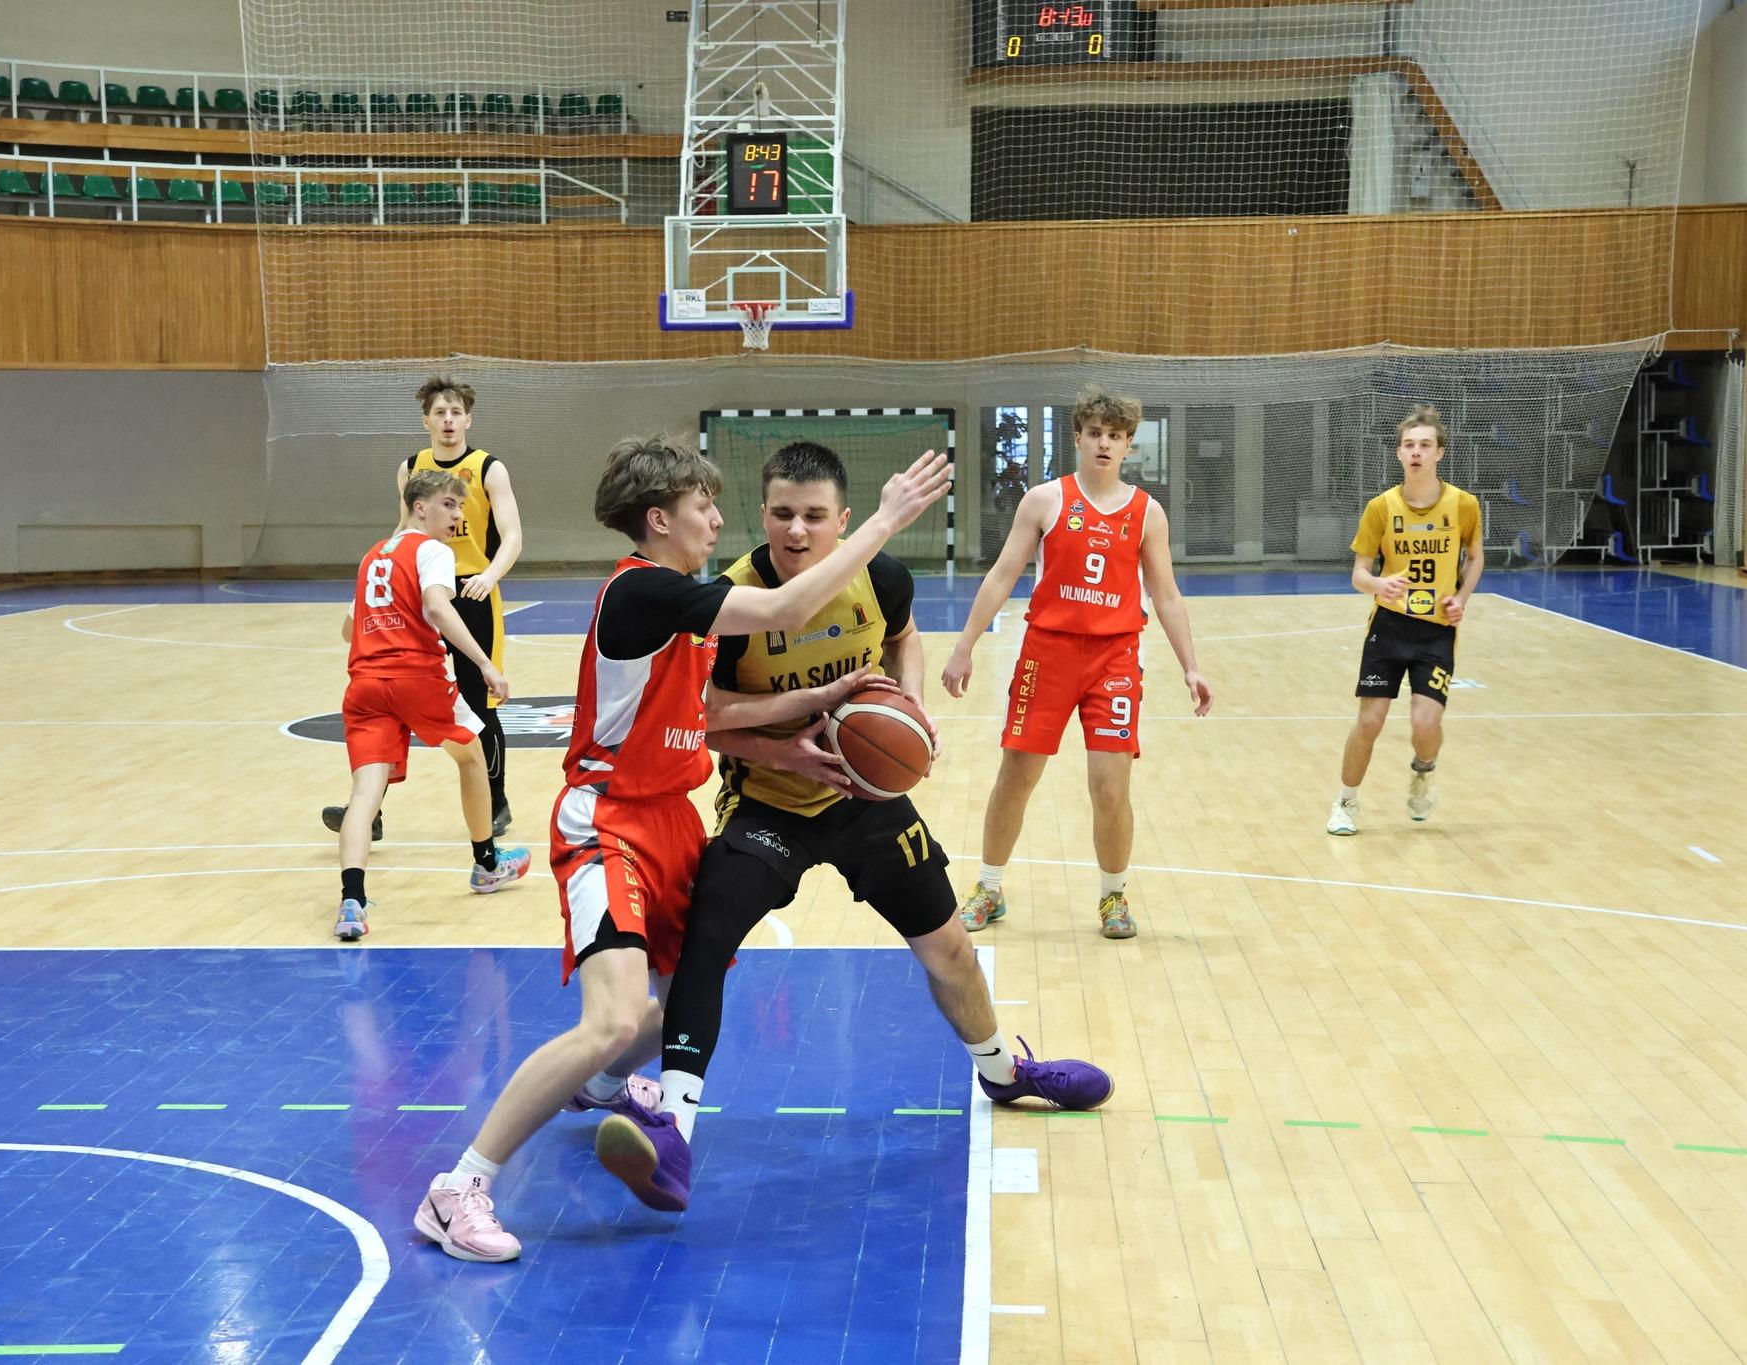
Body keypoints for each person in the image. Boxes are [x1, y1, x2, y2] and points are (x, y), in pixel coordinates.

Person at [412, 435, 952, 1263]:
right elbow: (784, 610)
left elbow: (703, 713)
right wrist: (883, 520)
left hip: (671, 819)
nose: (717, 520)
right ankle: (458, 1187)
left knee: (673, 1009)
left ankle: (596, 1085)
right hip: (608, 822)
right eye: (703, 505)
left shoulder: (685, 603)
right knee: (615, 1018)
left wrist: (814, 704)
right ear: (660, 519)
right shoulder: (643, 592)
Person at [589, 441, 1114, 1216]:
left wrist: (907, 703)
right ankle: (674, 1130)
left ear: (842, 519)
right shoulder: (732, 600)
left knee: (950, 948)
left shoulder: (883, 579)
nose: (796, 530)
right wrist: (791, 736)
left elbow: (904, 636)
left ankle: (1003, 1072)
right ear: (762, 514)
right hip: (769, 800)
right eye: (781, 514)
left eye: (813, 515)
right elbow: (705, 715)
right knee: (707, 939)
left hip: (864, 799)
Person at [940, 387, 1211, 940]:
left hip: (1115, 658)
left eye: (1116, 436)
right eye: (1095, 434)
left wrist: (1191, 666)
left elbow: (1166, 595)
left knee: (1110, 788)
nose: (1104, 444)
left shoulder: (1147, 512)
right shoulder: (1044, 500)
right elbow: (1002, 574)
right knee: (1016, 775)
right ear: (1078, 438)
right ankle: (989, 887)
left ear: (1129, 444)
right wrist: (965, 645)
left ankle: (1114, 896)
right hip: (1048, 653)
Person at [334, 469, 532, 942]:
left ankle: (351, 902)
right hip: (417, 679)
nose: (458, 515)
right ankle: (487, 864)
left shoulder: (373, 555)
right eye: (449, 504)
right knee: (473, 755)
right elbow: (440, 608)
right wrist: (485, 664)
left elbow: (346, 629)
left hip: (365, 685)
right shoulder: (432, 551)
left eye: (460, 506)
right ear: (419, 507)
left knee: (364, 794)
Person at [323, 375, 523, 841]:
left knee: (478, 702)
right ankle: (369, 811)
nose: (448, 420)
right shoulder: (411, 467)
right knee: (394, 695)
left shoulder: (488, 467)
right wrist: (373, 583)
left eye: (456, 412)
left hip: (471, 590)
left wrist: (490, 576)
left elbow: (512, 534)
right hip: (417, 587)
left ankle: (496, 802)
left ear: (468, 420)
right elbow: (402, 528)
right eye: (440, 413)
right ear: (426, 421)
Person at [1324, 404, 1483, 834]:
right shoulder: (1381, 507)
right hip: (1389, 627)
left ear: (1439, 453)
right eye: (1409, 445)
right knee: (1370, 721)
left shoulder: (1464, 505)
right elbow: (1359, 574)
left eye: (1425, 445)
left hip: (1436, 632)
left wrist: (1461, 599)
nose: (1416, 452)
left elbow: (1475, 557)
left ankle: (1423, 771)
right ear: (1398, 453)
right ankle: (1345, 802)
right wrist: (1380, 584)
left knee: (1425, 724)